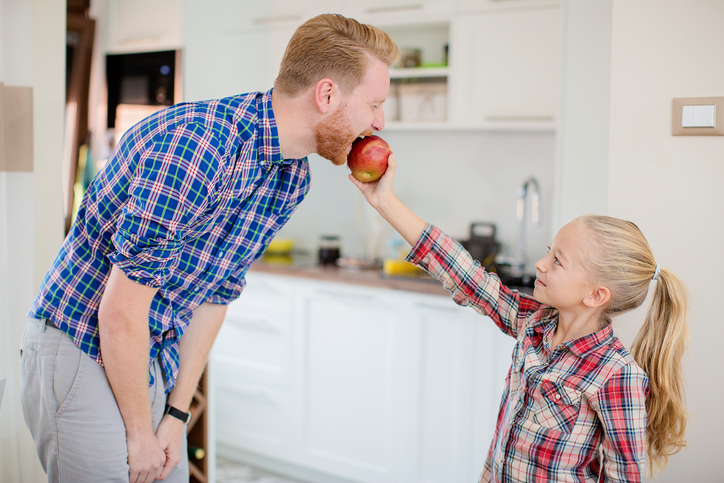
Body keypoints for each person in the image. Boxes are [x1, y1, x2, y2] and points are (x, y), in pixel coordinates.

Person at [20, 13, 399, 483]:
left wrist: (176, 417)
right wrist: (140, 434)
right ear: (326, 95)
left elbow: (216, 295)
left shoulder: (290, 177)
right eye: (375, 103)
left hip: (147, 352)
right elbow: (119, 311)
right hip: (83, 342)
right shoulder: (199, 148)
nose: (380, 122)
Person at [350, 155, 689, 482]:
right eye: (548, 251)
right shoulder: (534, 325)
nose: (541, 264)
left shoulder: (616, 375)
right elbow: (470, 278)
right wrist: (385, 202)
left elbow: (624, 476)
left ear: (596, 295)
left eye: (557, 261)